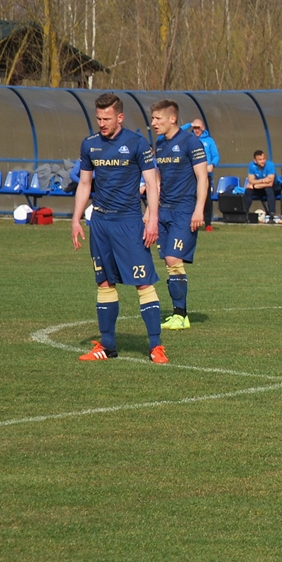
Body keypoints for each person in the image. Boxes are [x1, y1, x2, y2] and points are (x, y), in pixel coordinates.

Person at [71, 93, 167, 363]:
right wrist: (76, 219)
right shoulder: (90, 145)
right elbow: (85, 184)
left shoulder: (136, 143)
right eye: (99, 118)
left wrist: (152, 219)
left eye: (107, 118)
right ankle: (107, 346)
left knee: (143, 282)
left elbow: (152, 184)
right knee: (104, 282)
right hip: (100, 223)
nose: (102, 123)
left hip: (129, 223)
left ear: (120, 117)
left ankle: (156, 346)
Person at [151, 100, 208, 330]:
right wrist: (151, 211)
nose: (154, 123)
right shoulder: (160, 143)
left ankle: (181, 315)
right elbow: (158, 178)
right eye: (153, 118)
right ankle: (178, 313)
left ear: (172, 119)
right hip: (164, 210)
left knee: (174, 259)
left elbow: (202, 177)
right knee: (168, 261)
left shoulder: (190, 142)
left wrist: (199, 209)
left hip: (184, 210)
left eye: (158, 118)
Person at [191, 119, 220, 231]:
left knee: (206, 199)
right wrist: (189, 124)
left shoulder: (209, 141)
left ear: (203, 127)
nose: (196, 130)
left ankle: (208, 223)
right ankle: (191, 222)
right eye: (194, 128)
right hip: (191, 175)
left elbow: (216, 155)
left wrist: (212, 165)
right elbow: (177, 130)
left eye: (198, 127)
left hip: (204, 175)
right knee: (191, 198)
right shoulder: (189, 139)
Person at [244, 150, 277, 222]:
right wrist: (263, 180)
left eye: (264, 159)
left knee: (269, 189)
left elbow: (270, 183)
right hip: (260, 187)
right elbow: (251, 180)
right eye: (260, 159)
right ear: (255, 161)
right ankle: (245, 213)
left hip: (273, 187)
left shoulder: (270, 165)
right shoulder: (251, 165)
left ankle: (272, 215)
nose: (262, 161)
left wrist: (255, 186)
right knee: (248, 191)